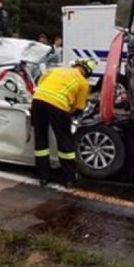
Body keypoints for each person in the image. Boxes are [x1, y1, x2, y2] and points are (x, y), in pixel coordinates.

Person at [31, 58, 95, 187]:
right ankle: (69, 179)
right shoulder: (83, 83)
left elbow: (41, 82)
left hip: (37, 101)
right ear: (87, 73)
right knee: (65, 142)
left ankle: (43, 177)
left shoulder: (56, 70)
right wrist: (68, 115)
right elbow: (79, 108)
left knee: (41, 140)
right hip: (58, 106)